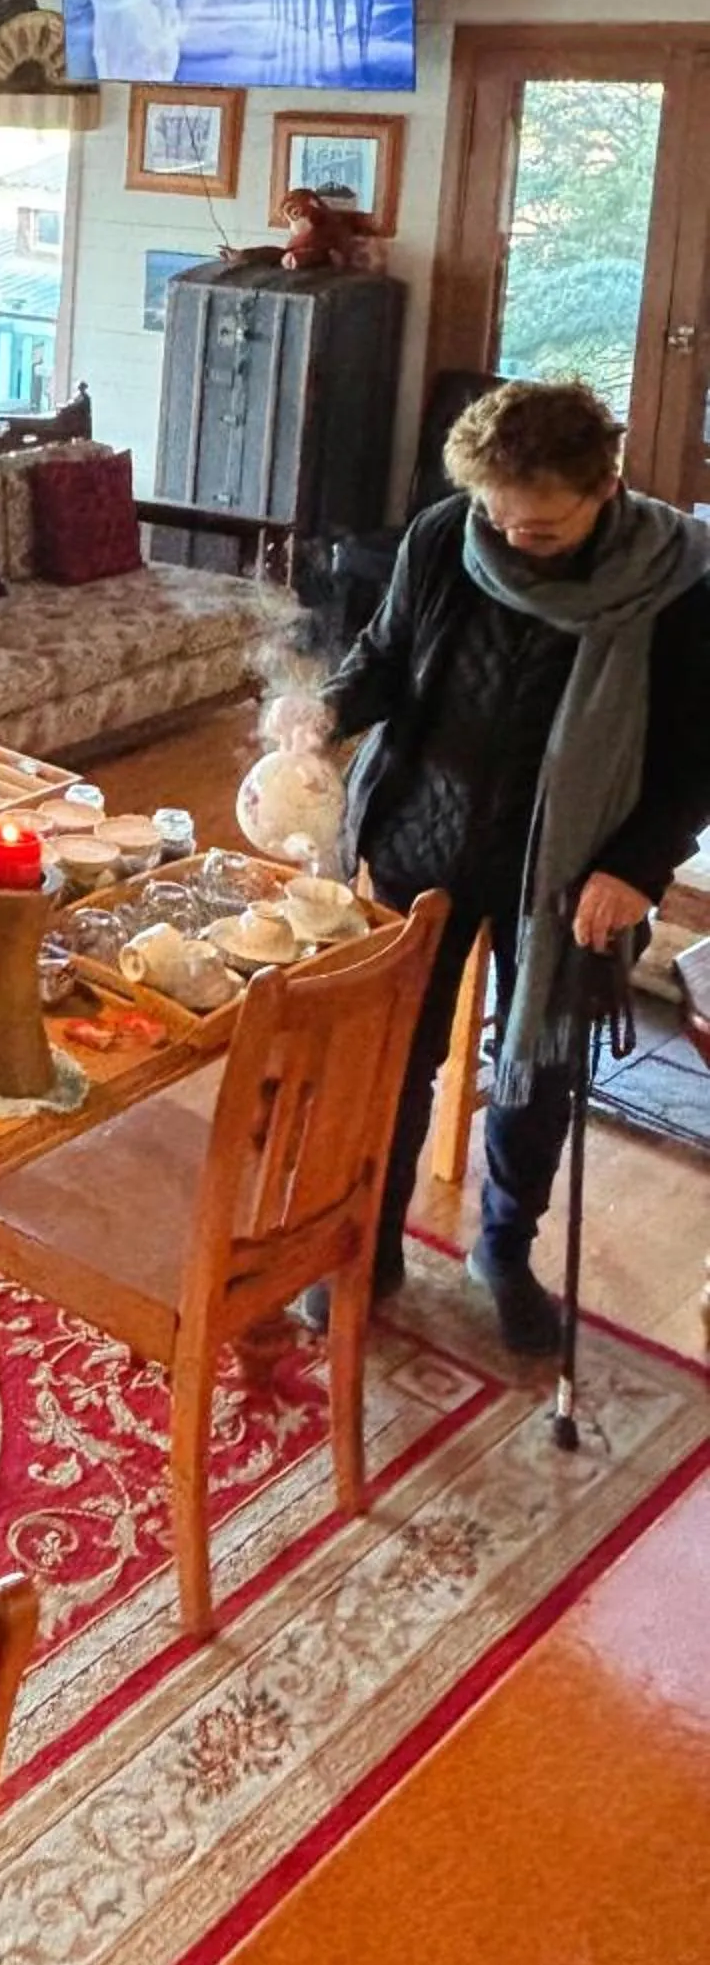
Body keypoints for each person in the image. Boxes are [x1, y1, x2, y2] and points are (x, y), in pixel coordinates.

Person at [294, 380, 710, 1352]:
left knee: (539, 1069)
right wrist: (325, 712)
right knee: (397, 1061)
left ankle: (504, 1250)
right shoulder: (447, 536)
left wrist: (637, 869)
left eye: (542, 525)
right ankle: (372, 1246)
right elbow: (388, 657)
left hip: (572, 879)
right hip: (421, 844)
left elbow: (696, 754)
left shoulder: (678, 579)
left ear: (605, 487)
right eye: (497, 512)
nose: (513, 534)